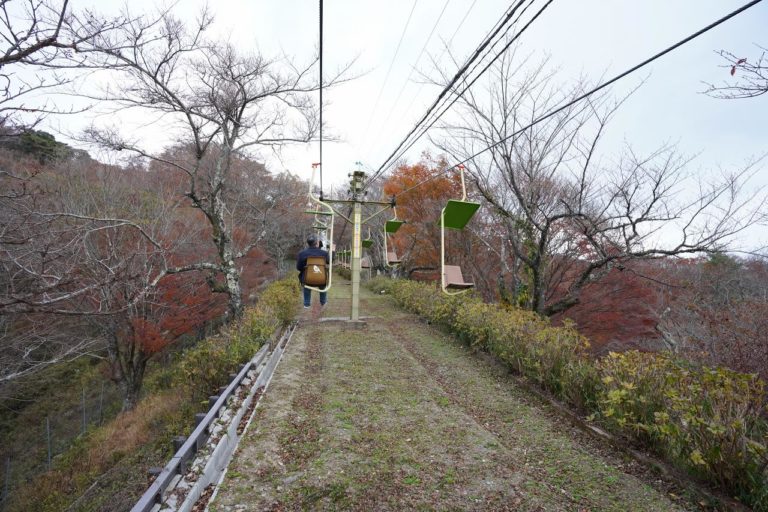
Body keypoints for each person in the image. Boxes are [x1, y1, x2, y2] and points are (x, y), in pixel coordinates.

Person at [296, 233, 329, 309]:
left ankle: (306, 303)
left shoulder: (302, 253)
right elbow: (329, 262)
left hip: (307, 280)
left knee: (306, 279)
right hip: (321, 279)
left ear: (308, 243)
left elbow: (298, 268)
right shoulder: (324, 253)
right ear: (317, 243)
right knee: (323, 282)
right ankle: (323, 301)